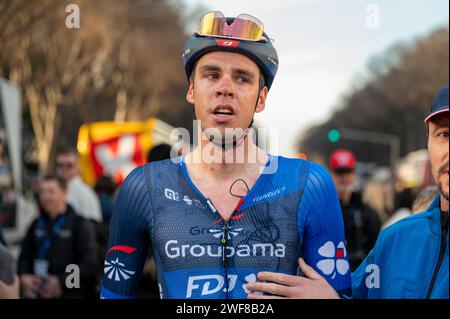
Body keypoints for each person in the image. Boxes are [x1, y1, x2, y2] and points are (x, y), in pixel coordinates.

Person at [100, 11, 351, 299]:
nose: (225, 88)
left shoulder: (310, 184)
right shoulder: (143, 186)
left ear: (261, 98)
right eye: (212, 75)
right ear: (192, 89)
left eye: (242, 78)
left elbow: (341, 295)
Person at [247, 85, 449, 299]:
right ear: (428, 142)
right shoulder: (395, 239)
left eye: (348, 173)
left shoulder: (371, 216)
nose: (344, 178)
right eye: (444, 134)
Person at [18, 175, 98, 299]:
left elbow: (88, 265)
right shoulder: (36, 224)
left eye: (51, 191)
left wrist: (61, 282)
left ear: (64, 193)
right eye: (42, 192)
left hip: (70, 293)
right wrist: (25, 277)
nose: (45, 196)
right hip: (38, 292)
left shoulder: (79, 224)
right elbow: (24, 256)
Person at [328, 149, 381, 270]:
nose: (344, 177)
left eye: (348, 172)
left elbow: (375, 250)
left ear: (354, 174)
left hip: (357, 276)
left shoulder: (367, 213)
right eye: (339, 172)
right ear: (331, 174)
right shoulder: (319, 209)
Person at [55, 149, 102, 223]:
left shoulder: (85, 192)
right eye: (60, 165)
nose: (64, 169)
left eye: (69, 165)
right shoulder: (54, 189)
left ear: (78, 168)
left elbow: (92, 224)